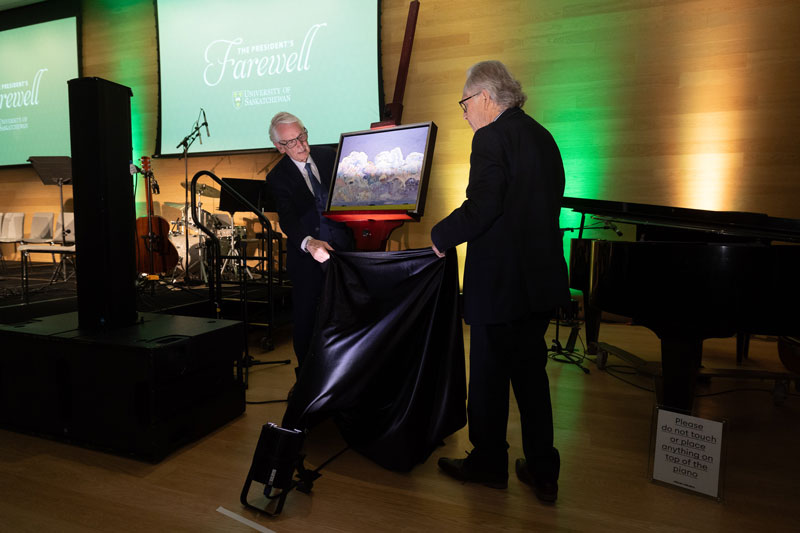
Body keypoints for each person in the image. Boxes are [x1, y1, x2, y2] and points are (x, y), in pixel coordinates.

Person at [430, 60, 570, 503]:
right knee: (532, 378)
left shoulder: (490, 137)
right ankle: (543, 469)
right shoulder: (543, 137)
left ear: (486, 98)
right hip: (541, 283)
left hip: (500, 286)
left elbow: (484, 205)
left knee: (489, 380)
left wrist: (441, 236)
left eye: (465, 103)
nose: (465, 112)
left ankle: (488, 463)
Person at [266, 112, 353, 368]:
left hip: (345, 252)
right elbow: (288, 220)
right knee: (307, 324)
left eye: (302, 135)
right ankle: (306, 381)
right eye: (292, 142)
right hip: (307, 261)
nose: (302, 144)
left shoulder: (329, 156)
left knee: (347, 318)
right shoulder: (277, 178)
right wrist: (309, 243)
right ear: (279, 148)